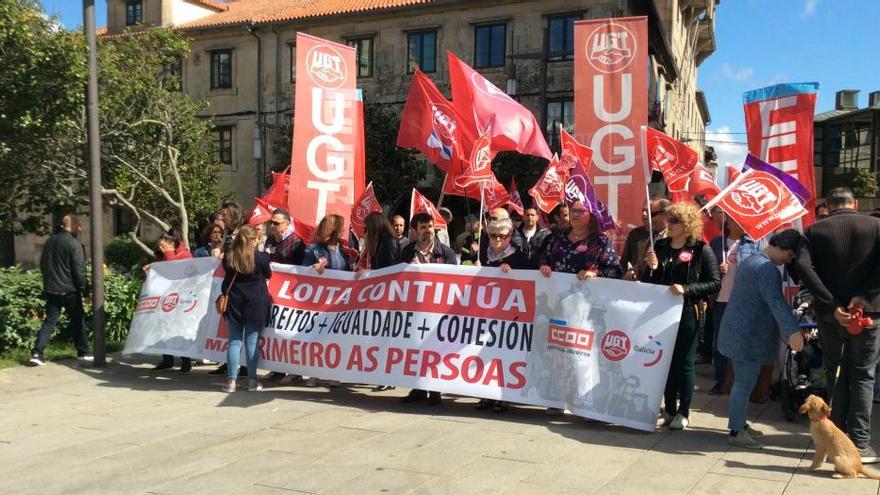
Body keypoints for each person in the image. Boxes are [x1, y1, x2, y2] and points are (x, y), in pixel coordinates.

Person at [795, 187, 880, 462]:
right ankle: (861, 443)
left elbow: (804, 268)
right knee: (863, 375)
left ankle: (838, 435)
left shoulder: (815, 231)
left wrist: (832, 303)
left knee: (836, 371)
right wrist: (864, 297)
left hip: (830, 314)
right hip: (869, 313)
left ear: (828, 206)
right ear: (855, 203)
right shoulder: (876, 226)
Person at [718, 230, 805, 449]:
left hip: (740, 332)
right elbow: (776, 303)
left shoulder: (753, 261)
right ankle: (737, 431)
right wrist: (793, 330)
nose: (789, 260)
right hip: (748, 335)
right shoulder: (766, 269)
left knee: (743, 383)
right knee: (743, 384)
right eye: (791, 256)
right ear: (784, 249)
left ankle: (740, 424)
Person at [643, 201, 721, 431]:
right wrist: (651, 268)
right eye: (669, 219)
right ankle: (668, 409)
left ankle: (684, 411)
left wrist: (687, 289)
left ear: (687, 225)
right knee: (665, 362)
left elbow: (714, 282)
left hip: (687, 312)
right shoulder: (661, 245)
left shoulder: (700, 249)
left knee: (684, 363)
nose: (669, 223)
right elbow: (650, 282)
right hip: (662, 313)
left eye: (674, 220)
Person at [399, 212, 457, 405]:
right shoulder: (407, 252)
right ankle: (417, 389)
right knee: (415, 348)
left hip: (438, 313)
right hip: (415, 310)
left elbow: (455, 281)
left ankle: (435, 390)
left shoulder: (446, 253)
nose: (427, 231)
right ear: (416, 231)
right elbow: (397, 278)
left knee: (436, 350)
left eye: (430, 226)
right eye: (423, 227)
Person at [475, 217, 531, 413]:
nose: (497, 239)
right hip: (488, 316)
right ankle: (486, 395)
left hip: (511, 318)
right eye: (493, 235)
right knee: (486, 355)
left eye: (502, 236)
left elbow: (530, 285)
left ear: (509, 237)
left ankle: (504, 397)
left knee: (505, 358)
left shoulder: (519, 258)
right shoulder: (483, 255)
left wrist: (513, 273)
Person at [29, 214, 92, 366]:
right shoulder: (74, 244)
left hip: (52, 289)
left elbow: (43, 264)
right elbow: (79, 270)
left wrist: (49, 282)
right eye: (79, 225)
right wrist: (84, 289)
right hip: (69, 290)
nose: (81, 228)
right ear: (74, 225)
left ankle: (37, 353)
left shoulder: (50, 241)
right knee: (78, 321)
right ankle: (83, 352)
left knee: (49, 321)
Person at [707, 215, 759, 395]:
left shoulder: (753, 244)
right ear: (728, 222)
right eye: (738, 220)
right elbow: (706, 270)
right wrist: (717, 268)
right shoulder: (716, 243)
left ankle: (741, 382)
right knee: (719, 343)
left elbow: (757, 270)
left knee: (742, 342)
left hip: (742, 301)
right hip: (721, 299)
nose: (743, 223)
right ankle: (721, 381)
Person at [220, 225, 272, 393]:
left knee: (234, 342)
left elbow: (227, 279)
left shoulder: (229, 257)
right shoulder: (261, 258)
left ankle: (231, 382)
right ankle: (252, 381)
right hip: (255, 304)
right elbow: (269, 274)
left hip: (234, 303)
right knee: (252, 343)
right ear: (254, 240)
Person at [539, 200, 623, 281]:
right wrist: (544, 267)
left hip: (588, 293)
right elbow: (543, 259)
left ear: (591, 216)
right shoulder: (557, 236)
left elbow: (615, 271)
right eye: (573, 210)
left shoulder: (601, 241)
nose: (575, 214)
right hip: (556, 292)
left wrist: (595, 273)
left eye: (580, 211)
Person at [150, 229, 194, 372]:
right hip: (164, 297)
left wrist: (169, 254)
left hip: (181, 298)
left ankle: (185, 361)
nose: (162, 247)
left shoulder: (185, 254)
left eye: (165, 244)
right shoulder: (161, 256)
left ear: (173, 243)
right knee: (163, 328)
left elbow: (174, 270)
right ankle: (167, 359)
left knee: (179, 328)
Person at [620, 199, 669, 281]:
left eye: (651, 214)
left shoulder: (674, 238)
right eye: (643, 210)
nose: (646, 215)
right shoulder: (642, 235)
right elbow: (629, 262)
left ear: (665, 214)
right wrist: (633, 272)